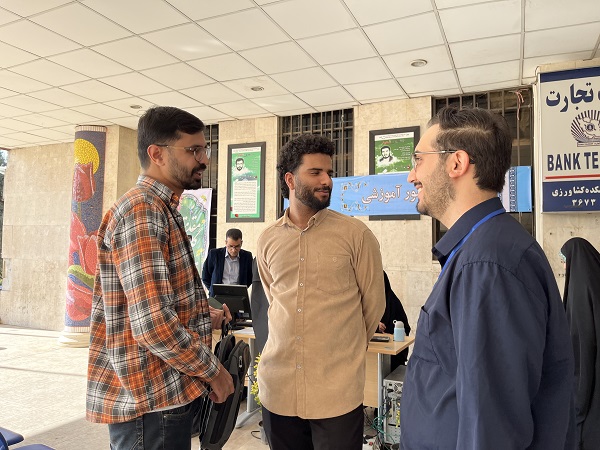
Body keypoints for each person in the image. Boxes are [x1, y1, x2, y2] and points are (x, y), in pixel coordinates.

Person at [400, 107, 575, 449]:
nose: (411, 176)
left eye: (418, 160)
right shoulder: (483, 250)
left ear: (456, 163)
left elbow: (490, 427)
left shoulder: (486, 264)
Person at [86, 106, 234, 450]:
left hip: (157, 401)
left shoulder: (161, 208)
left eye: (205, 150)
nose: (204, 160)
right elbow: (152, 324)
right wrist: (213, 371)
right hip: (151, 405)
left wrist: (203, 314)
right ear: (157, 154)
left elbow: (151, 304)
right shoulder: (143, 210)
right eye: (193, 150)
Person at [256, 134, 385, 450]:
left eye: (329, 172)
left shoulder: (356, 236)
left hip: (336, 394)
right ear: (290, 180)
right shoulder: (268, 239)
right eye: (315, 172)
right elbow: (275, 301)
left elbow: (373, 306)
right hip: (279, 391)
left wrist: (342, 349)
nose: (327, 180)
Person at [561, 237, 600, 450]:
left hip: (590, 405)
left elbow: (582, 349)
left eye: (564, 260)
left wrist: (576, 410)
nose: (564, 266)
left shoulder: (580, 290)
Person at [201, 228, 253, 298]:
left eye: (237, 246)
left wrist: (241, 290)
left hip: (238, 297)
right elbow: (205, 276)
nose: (233, 250)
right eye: (230, 246)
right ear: (226, 243)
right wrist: (212, 290)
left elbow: (250, 277)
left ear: (241, 243)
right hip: (217, 296)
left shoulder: (247, 256)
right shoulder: (214, 254)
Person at [378, 271, 411, 370]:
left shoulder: (393, 302)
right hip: (372, 354)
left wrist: (390, 334)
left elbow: (405, 329)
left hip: (392, 358)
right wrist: (374, 325)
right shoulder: (367, 302)